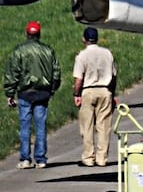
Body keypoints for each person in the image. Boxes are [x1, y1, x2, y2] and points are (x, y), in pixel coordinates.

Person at [5, 22, 62, 169]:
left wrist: (10, 93)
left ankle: (25, 159)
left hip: (25, 93)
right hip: (42, 93)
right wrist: (53, 88)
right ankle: (41, 159)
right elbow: (56, 72)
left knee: (25, 126)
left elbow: (12, 74)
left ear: (27, 34)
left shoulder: (19, 51)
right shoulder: (48, 51)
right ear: (39, 34)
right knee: (40, 126)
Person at [70, 27, 116, 167]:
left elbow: (78, 79)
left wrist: (76, 94)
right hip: (105, 90)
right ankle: (102, 158)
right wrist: (112, 93)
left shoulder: (82, 56)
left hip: (88, 91)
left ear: (84, 39)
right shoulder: (107, 53)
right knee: (104, 126)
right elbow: (114, 76)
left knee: (87, 126)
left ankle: (88, 157)